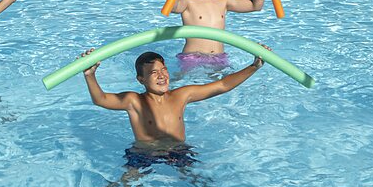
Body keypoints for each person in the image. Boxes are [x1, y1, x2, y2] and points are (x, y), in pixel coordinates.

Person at [80, 49, 265, 149]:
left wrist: (254, 66)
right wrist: (90, 76)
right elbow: (101, 99)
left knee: (200, 185)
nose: (161, 76)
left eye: (164, 70)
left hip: (178, 150)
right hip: (145, 154)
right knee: (124, 186)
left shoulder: (181, 96)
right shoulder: (134, 101)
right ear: (141, 80)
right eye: (154, 73)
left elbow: (222, 85)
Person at [168, 0, 264, 73]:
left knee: (226, 86)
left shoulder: (223, 1)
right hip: (193, 58)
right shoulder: (188, 0)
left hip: (219, 58)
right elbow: (172, 7)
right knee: (182, 87)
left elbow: (255, 6)